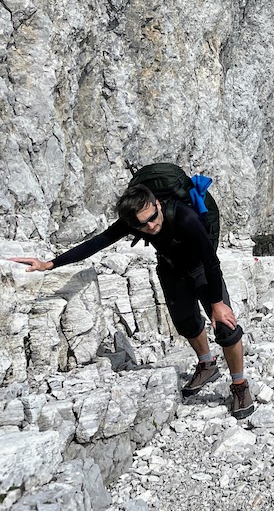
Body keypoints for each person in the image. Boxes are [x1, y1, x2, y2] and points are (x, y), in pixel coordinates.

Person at [8, 175, 254, 419]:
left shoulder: (184, 217)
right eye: (142, 225)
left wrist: (217, 303)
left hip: (201, 268)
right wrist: (49, 264)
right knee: (186, 323)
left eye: (153, 217)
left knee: (226, 326)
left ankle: (239, 384)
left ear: (158, 204)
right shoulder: (134, 220)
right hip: (171, 270)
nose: (151, 226)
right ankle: (207, 365)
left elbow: (211, 261)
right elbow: (97, 243)